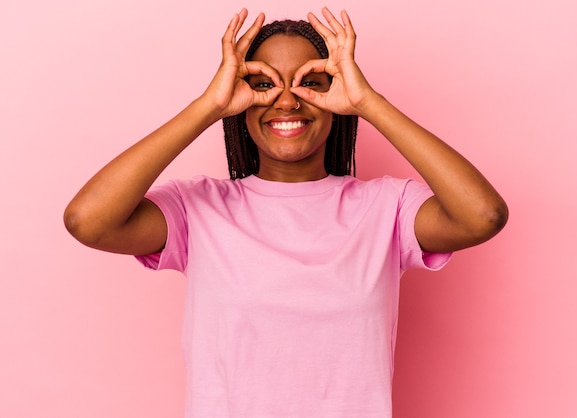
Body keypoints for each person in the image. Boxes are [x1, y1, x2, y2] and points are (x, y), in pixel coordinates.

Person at [64, 7, 508, 418]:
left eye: (309, 83)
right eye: (264, 84)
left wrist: (369, 103)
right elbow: (88, 220)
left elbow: (482, 214)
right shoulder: (197, 208)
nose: (287, 100)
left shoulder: (386, 207)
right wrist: (209, 106)